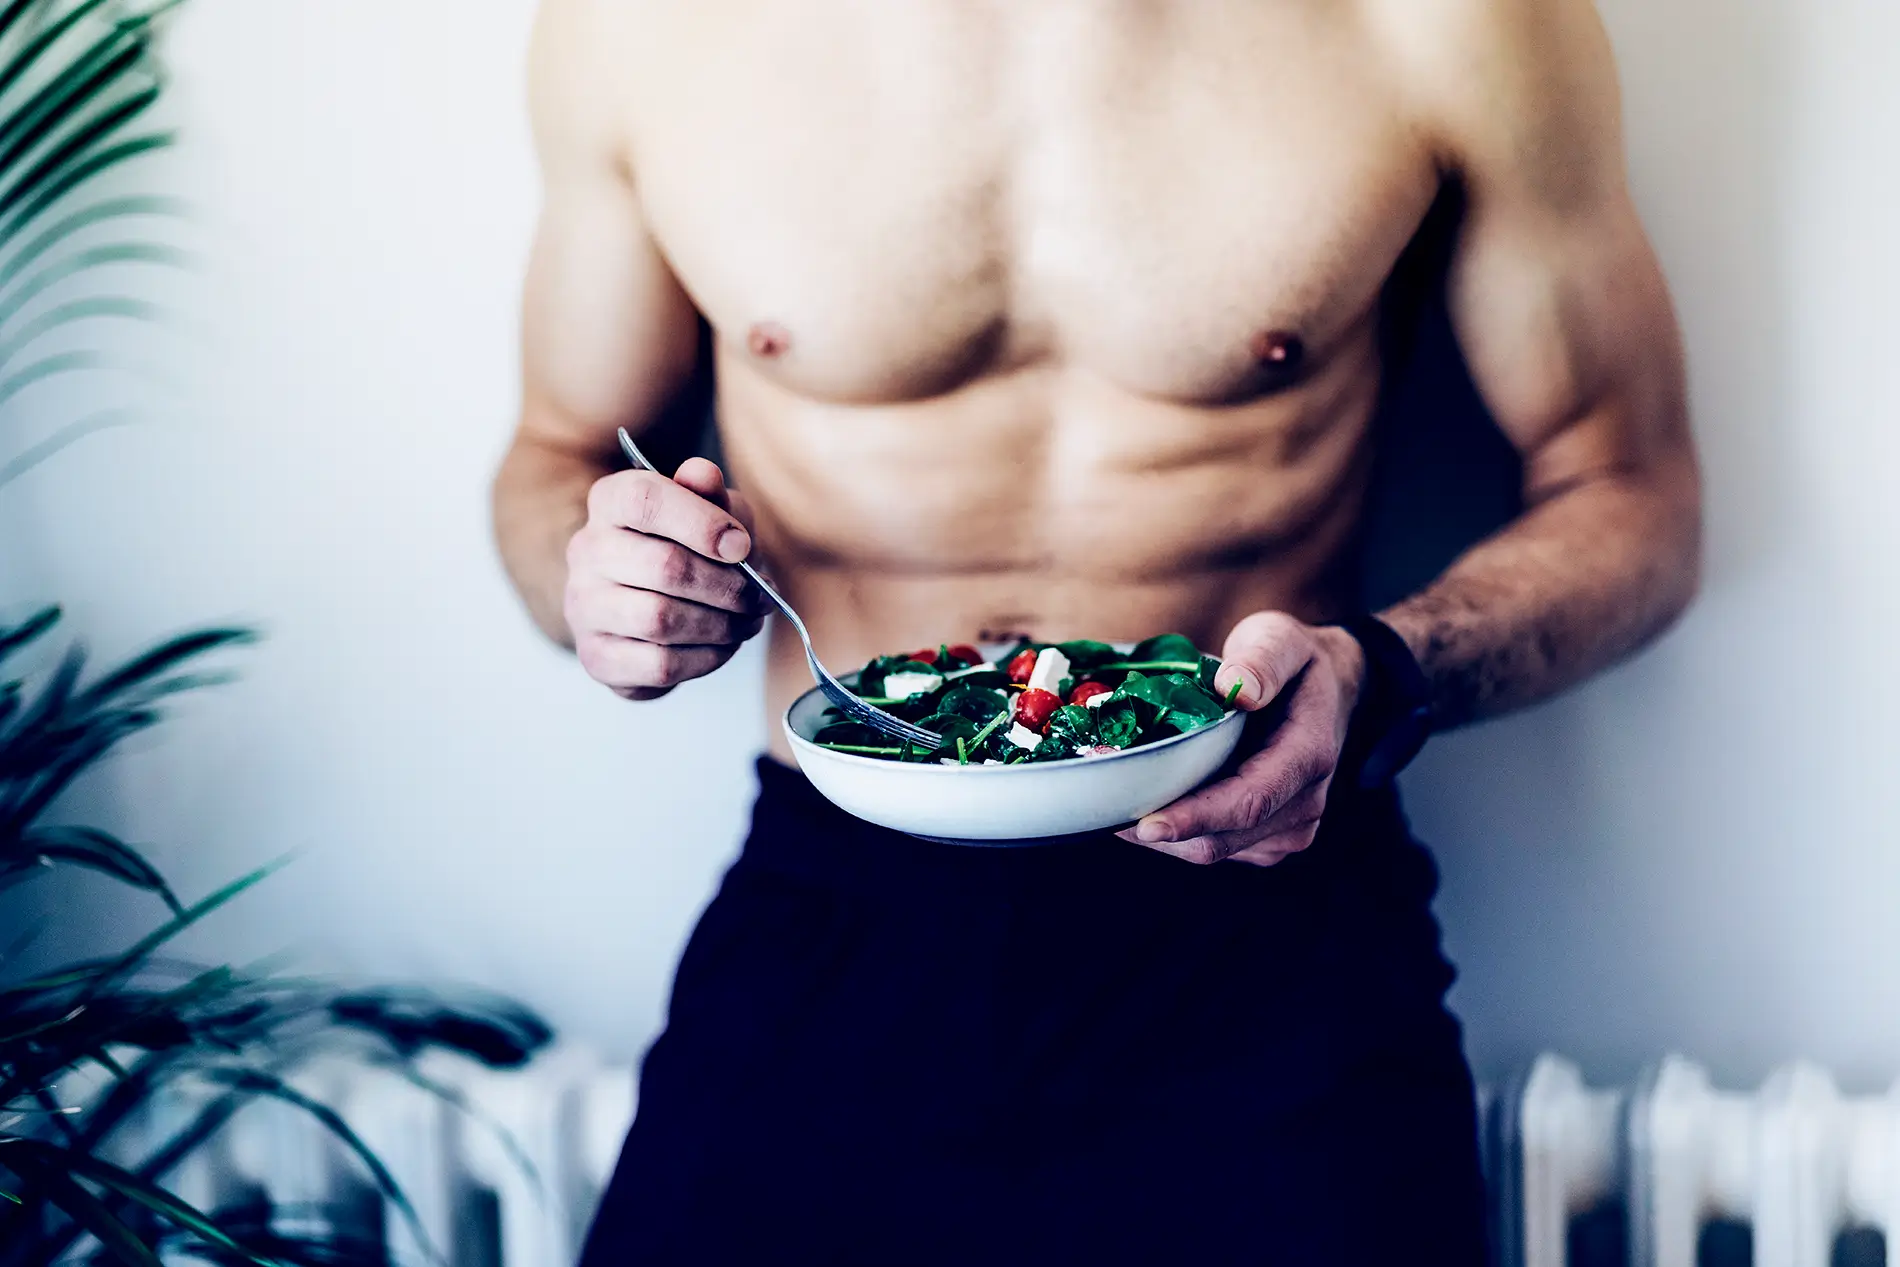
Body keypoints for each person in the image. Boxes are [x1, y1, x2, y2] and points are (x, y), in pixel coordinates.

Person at [492, 1, 1701, 1261]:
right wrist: (605, 586)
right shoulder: (643, 31)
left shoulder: (1449, 22)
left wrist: (1384, 669)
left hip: (1270, 922)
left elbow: (1635, 494)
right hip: (838, 909)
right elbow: (555, 455)